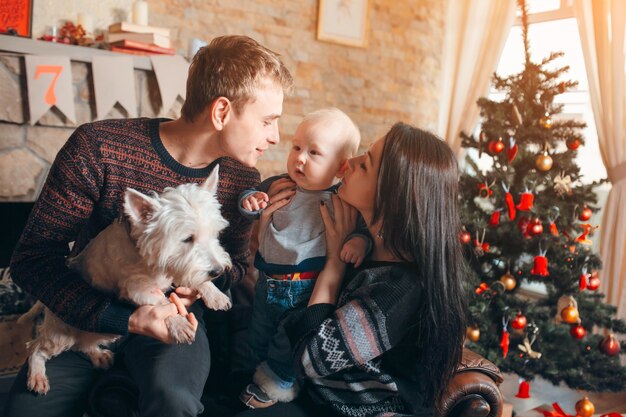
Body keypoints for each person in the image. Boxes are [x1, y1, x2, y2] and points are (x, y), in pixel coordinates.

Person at [3, 35, 293, 417]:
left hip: (172, 320)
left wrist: (193, 290)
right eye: (268, 121)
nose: (275, 136)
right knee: (26, 412)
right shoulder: (97, 147)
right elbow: (32, 260)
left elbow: (235, 266)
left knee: (174, 402)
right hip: (83, 317)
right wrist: (123, 319)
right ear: (222, 112)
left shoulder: (240, 180)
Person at [235, 122, 468, 417]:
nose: (350, 163)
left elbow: (310, 358)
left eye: (366, 163)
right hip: (312, 395)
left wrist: (334, 263)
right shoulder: (357, 241)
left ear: (391, 193)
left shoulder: (399, 289)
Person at [236, 108, 370, 409]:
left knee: (286, 342)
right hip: (266, 281)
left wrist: (359, 241)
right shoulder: (279, 184)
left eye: (314, 153)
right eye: (297, 147)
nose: (300, 158)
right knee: (258, 332)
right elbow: (249, 200)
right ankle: (251, 370)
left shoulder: (340, 200)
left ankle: (279, 381)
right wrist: (251, 201)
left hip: (304, 290)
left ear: (341, 168)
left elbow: (362, 229)